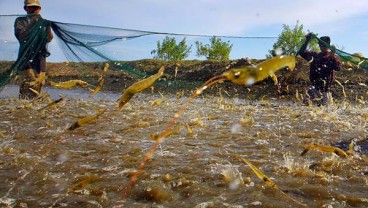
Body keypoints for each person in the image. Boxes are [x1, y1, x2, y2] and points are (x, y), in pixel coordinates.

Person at [14, 0, 53, 99]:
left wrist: (48, 28)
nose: (34, 9)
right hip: (26, 58)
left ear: (39, 9)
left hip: (40, 58)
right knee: (29, 82)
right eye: (31, 7)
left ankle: (33, 111)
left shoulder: (43, 23)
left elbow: (49, 38)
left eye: (36, 7)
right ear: (25, 8)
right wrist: (32, 24)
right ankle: (22, 110)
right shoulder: (20, 20)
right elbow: (21, 36)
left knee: (39, 84)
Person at [298, 33, 341, 106]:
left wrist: (333, 56)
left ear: (328, 45)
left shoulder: (332, 57)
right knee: (306, 109)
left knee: (324, 112)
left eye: (324, 45)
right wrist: (307, 40)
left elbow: (338, 68)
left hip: (325, 91)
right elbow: (301, 52)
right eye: (320, 44)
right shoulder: (314, 55)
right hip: (314, 89)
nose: (321, 46)